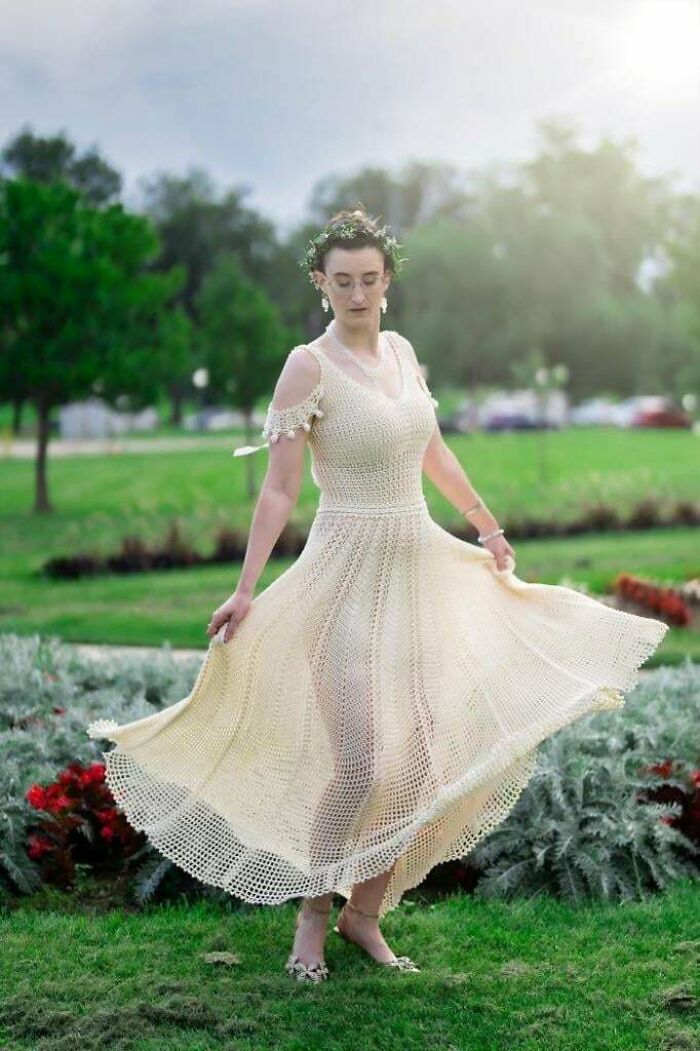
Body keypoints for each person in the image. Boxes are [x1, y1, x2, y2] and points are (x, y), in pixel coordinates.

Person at [87, 206, 668, 983]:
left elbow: (433, 448)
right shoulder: (308, 365)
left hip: (417, 567)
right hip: (343, 575)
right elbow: (279, 490)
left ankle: (367, 913)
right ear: (320, 285)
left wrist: (487, 528)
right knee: (359, 762)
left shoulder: (401, 352)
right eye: (341, 281)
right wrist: (245, 588)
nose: (356, 293)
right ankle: (312, 919)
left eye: (368, 279)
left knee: (422, 759)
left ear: (387, 282)